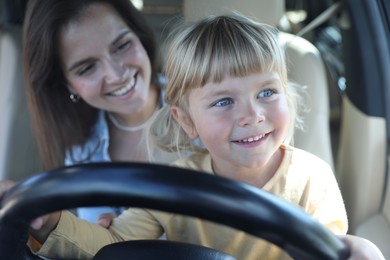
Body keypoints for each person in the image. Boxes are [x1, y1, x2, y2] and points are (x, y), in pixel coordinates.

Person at [1, 13, 383, 260]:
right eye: (223, 102)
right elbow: (111, 247)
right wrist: (52, 222)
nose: (252, 114)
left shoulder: (311, 180)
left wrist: (358, 249)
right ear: (187, 122)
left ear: (289, 95)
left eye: (267, 92)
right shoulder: (170, 186)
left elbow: (329, 249)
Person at [22, 0, 177, 224]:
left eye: (122, 45)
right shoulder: (80, 154)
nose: (116, 75)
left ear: (139, 35)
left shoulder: (210, 103)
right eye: (87, 68)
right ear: (68, 85)